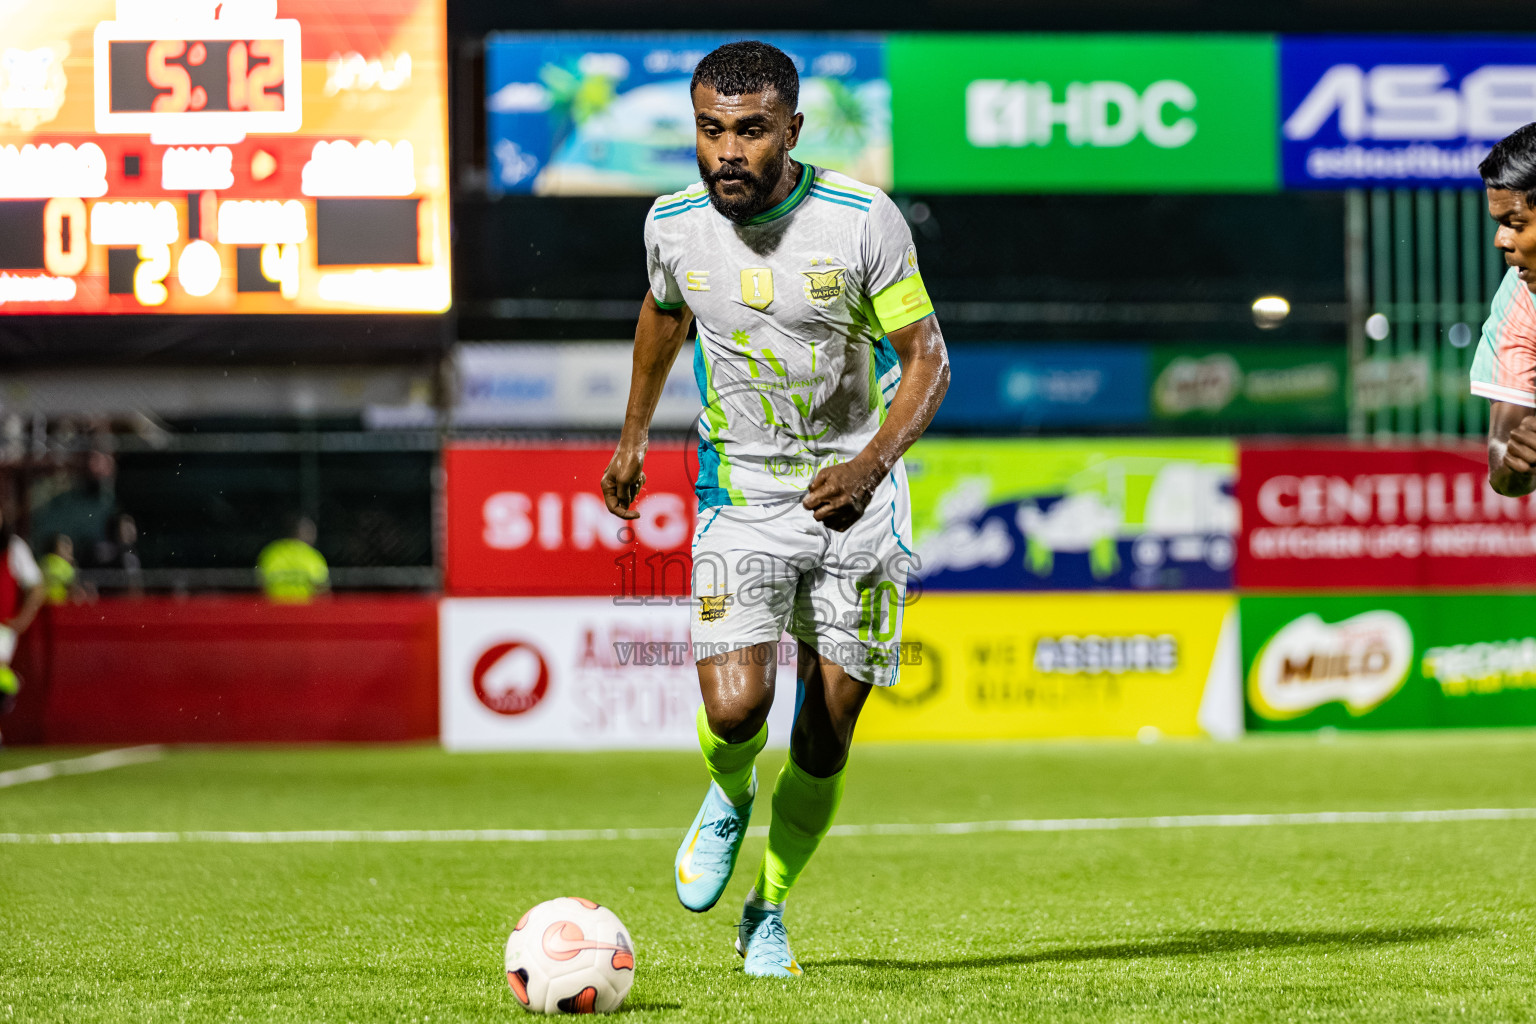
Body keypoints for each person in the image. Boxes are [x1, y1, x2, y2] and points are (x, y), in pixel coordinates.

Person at [600, 41, 949, 978]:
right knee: (738, 703)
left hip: (857, 504)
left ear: (791, 130)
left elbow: (929, 361)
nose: (727, 151)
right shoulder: (672, 223)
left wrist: (872, 463)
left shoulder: (861, 220)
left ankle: (768, 910)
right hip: (741, 496)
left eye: (750, 131)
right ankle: (726, 792)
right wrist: (633, 435)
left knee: (826, 734)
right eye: (711, 129)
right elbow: (664, 312)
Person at [1473, 122, 1536, 495]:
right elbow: (1502, 459)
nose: (1501, 241)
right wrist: (1520, 463)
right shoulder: (1520, 297)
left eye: (1515, 224)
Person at [0, 507, 46, 744]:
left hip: (2, 627)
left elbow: (37, 586)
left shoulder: (13, 547)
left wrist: (23, 619)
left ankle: (9, 685)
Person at [257, 516, 330, 603]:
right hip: (304, 613)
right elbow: (322, 591)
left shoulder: (271, 553)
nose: (314, 536)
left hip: (275, 611)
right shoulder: (312, 556)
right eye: (311, 532)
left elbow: (261, 586)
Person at [41, 533, 85, 605]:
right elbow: (73, 590)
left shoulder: (42, 561)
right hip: (59, 606)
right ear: (56, 547)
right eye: (66, 546)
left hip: (43, 604)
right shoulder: (66, 566)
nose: (70, 550)